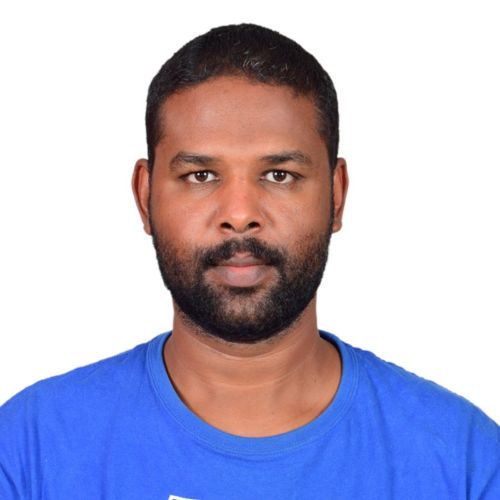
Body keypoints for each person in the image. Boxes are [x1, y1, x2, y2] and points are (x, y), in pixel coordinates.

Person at [0, 23, 498, 499]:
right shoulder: (28, 452)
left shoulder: (466, 463)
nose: (239, 215)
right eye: (200, 176)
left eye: (279, 175)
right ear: (145, 197)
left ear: (336, 196)